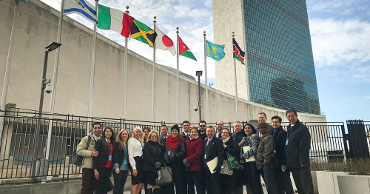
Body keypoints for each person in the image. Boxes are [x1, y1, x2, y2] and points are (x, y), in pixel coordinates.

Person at [285, 109, 314, 194]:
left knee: (306, 186)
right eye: (288, 116)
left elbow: (304, 146)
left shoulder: (302, 128)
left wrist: (303, 161)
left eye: (292, 116)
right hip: (293, 163)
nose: (291, 118)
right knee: (299, 186)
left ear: (296, 116)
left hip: (301, 164)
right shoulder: (289, 128)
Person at [271, 116, 294, 194]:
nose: (274, 124)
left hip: (281, 162)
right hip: (275, 163)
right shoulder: (271, 133)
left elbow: (284, 150)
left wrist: (284, 163)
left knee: (286, 183)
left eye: (276, 122)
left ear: (280, 123)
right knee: (279, 184)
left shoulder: (283, 133)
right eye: (273, 122)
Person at [77, 122, 102, 194]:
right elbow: (79, 150)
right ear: (92, 129)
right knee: (86, 188)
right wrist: (91, 153)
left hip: (98, 168)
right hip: (87, 167)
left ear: (101, 129)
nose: (97, 129)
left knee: (95, 187)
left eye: (98, 128)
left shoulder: (102, 140)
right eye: (95, 128)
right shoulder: (86, 139)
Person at [256, 122, 278, 194]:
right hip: (262, 164)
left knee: (270, 186)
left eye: (262, 127)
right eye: (259, 128)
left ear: (266, 128)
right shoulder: (263, 137)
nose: (260, 129)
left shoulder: (268, 137)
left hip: (267, 164)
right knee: (268, 186)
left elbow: (268, 151)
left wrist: (265, 162)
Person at [241, 124, 263, 194]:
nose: (247, 129)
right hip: (247, 162)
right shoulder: (244, 138)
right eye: (245, 128)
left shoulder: (253, 136)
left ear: (252, 129)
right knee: (250, 181)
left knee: (255, 181)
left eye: (249, 128)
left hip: (253, 161)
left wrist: (246, 155)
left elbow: (254, 147)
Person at [164, 124, 186, 194]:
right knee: (170, 183)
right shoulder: (168, 139)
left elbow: (183, 151)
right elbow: (166, 150)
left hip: (178, 164)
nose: (174, 132)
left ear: (178, 132)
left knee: (179, 183)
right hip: (170, 164)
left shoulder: (181, 140)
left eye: (175, 131)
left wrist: (175, 156)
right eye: (173, 131)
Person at [93, 126, 116, 194]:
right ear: (104, 133)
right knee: (100, 186)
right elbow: (95, 155)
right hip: (101, 166)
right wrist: (95, 169)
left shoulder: (113, 142)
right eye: (107, 131)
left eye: (110, 131)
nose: (108, 133)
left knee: (105, 186)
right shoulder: (100, 142)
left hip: (109, 167)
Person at [203, 126, 224, 194]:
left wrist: (219, 165)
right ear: (206, 132)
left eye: (211, 131)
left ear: (214, 132)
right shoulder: (205, 140)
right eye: (208, 131)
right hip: (205, 167)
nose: (210, 133)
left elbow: (221, 154)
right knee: (208, 186)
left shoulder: (218, 141)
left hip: (214, 167)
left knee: (215, 186)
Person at [184, 127, 204, 194]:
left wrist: (188, 160)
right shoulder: (186, 141)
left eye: (195, 132)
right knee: (190, 186)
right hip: (188, 167)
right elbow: (184, 152)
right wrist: (184, 160)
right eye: (192, 132)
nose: (193, 133)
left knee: (198, 185)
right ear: (190, 133)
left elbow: (198, 153)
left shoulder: (199, 141)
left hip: (196, 167)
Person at [220, 128, 239, 194]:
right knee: (222, 186)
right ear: (221, 134)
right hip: (220, 167)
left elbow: (236, 152)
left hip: (230, 166)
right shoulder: (218, 142)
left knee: (231, 186)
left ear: (229, 134)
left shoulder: (233, 142)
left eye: (226, 133)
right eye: (223, 133)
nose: (224, 134)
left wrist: (227, 148)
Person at [128, 127, 145, 194]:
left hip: (141, 162)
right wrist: (134, 168)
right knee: (135, 183)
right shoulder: (131, 142)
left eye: (139, 132)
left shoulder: (140, 141)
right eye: (136, 132)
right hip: (135, 162)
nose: (138, 133)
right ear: (134, 133)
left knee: (141, 183)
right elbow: (130, 155)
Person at [113, 129, 130, 194]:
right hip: (119, 168)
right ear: (120, 135)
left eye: (126, 134)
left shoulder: (128, 144)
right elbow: (115, 156)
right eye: (123, 134)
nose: (124, 135)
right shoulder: (117, 144)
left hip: (125, 168)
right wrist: (116, 167)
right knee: (117, 187)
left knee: (122, 187)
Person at [231, 121, 246, 194]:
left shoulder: (244, 135)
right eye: (235, 126)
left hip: (242, 160)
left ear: (241, 127)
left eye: (238, 126)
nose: (236, 128)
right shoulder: (232, 136)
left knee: (241, 181)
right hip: (233, 161)